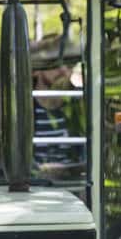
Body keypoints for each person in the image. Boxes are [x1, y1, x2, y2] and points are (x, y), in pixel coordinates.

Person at [31, 35, 83, 170]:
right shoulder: (23, 107)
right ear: (36, 70)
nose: (64, 70)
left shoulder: (81, 103)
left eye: (69, 63)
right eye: (54, 63)